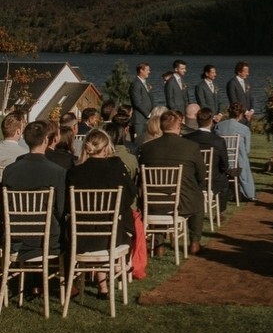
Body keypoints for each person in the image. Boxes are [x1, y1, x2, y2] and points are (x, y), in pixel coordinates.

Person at [67, 128, 136, 295]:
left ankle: (103, 285)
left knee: (105, 222)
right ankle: (119, 267)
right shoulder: (115, 168)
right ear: (106, 148)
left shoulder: (74, 172)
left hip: (80, 237)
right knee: (122, 219)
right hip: (110, 236)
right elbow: (130, 195)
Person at [139, 110, 205, 254]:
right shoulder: (191, 146)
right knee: (199, 200)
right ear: (178, 127)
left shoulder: (147, 148)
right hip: (182, 201)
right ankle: (195, 242)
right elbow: (201, 174)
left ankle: (159, 245)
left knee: (160, 201)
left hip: (152, 201)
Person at [2, 120, 67, 263]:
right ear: (45, 140)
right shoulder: (57, 172)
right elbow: (60, 210)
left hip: (15, 236)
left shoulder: (10, 171)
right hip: (47, 238)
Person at [185, 107, 230, 210]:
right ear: (211, 121)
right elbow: (225, 165)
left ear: (197, 121)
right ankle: (220, 211)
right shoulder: (218, 141)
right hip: (213, 178)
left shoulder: (187, 138)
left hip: (192, 176)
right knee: (224, 182)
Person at [215, 103, 256, 202]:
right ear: (241, 114)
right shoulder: (244, 129)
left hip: (221, 161)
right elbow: (247, 150)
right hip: (237, 162)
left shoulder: (218, 126)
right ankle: (249, 193)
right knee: (244, 159)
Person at [226, 62, 255, 126]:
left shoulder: (247, 82)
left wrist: (251, 110)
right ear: (239, 72)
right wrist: (245, 112)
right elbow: (233, 100)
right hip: (238, 115)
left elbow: (251, 97)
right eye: (245, 72)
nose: (248, 74)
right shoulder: (232, 83)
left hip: (248, 115)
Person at [129, 64, 154, 138]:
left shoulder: (146, 83)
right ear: (141, 70)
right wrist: (148, 114)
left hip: (148, 118)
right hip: (139, 120)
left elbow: (150, 99)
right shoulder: (136, 84)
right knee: (139, 140)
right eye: (147, 70)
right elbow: (137, 102)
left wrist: (153, 112)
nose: (149, 72)